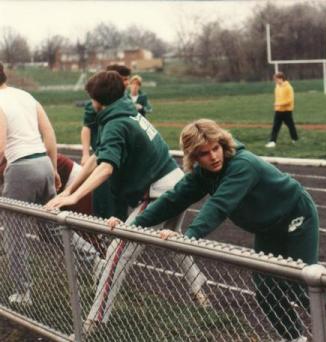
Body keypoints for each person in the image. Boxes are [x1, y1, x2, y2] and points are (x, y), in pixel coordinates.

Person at [107, 119, 326, 342]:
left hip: (295, 216)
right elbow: (172, 200)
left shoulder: (242, 165)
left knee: (299, 279)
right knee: (266, 289)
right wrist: (130, 226)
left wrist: (188, 238)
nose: (213, 157)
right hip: (266, 227)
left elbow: (219, 205)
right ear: (194, 157)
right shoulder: (202, 174)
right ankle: (295, 338)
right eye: (204, 153)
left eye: (216, 148)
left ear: (223, 144)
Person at [45, 70, 207, 334]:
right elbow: (97, 157)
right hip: (175, 182)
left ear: (97, 100)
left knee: (117, 253)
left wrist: (73, 196)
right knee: (174, 241)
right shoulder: (127, 113)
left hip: (160, 191)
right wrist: (69, 191)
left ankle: (93, 322)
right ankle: (200, 292)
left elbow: (106, 167)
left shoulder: (115, 122)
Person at [0, 61, 60, 305]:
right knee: (53, 227)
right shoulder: (26, 95)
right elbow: (50, 135)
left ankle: (23, 293)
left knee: (14, 234)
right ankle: (95, 261)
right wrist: (54, 169)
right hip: (43, 163)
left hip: (21, 168)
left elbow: (1, 147)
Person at [80, 64, 131, 220]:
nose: (127, 83)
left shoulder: (124, 103)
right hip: (104, 156)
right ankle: (102, 231)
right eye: (123, 79)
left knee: (119, 201)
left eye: (127, 79)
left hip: (119, 159)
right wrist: (85, 153)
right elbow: (86, 128)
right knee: (102, 197)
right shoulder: (97, 103)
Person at [265, 71, 298, 148]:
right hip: (278, 110)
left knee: (290, 125)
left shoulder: (289, 87)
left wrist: (279, 104)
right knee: (276, 126)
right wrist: (277, 106)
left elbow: (290, 100)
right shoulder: (277, 87)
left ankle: (295, 139)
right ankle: (272, 141)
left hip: (287, 111)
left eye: (276, 79)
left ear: (281, 79)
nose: (275, 81)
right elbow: (277, 98)